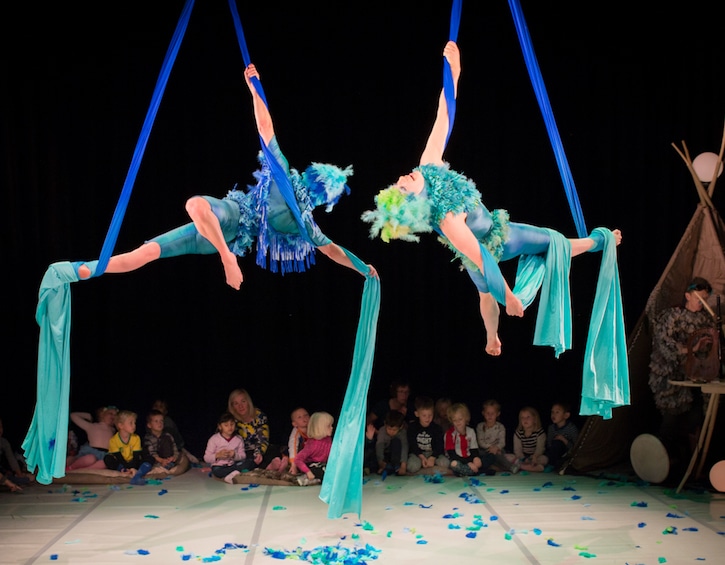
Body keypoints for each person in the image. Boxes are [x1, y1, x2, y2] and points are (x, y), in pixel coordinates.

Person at [361, 41, 622, 356]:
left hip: (491, 233)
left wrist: (454, 73)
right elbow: (484, 258)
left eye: (398, 181)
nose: (402, 179)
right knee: (552, 244)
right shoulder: (447, 220)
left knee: (483, 295)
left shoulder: (427, 166)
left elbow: (443, 114)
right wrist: (510, 296)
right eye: (403, 188)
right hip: (494, 244)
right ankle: (601, 242)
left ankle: (491, 338)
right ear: (414, 206)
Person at [70, 63, 377, 289]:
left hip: (230, 217)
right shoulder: (305, 224)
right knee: (147, 252)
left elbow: (265, 128)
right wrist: (363, 268)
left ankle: (226, 259)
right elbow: (333, 251)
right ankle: (90, 270)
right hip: (224, 236)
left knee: (194, 205)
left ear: (311, 175)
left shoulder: (286, 179)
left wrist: (254, 89)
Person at [648, 276, 716, 470]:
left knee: (695, 418)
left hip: (694, 378)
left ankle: (687, 463)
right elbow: (666, 346)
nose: (701, 302)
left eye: (704, 298)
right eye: (698, 298)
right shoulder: (672, 316)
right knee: (671, 419)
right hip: (669, 377)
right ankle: (660, 464)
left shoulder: (705, 319)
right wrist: (692, 349)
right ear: (688, 295)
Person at [227, 388, 283, 470]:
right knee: (245, 460)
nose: (240, 406)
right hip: (242, 452)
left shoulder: (259, 416)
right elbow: (221, 438)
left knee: (273, 449)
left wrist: (259, 452)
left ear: (248, 402)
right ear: (232, 407)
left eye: (243, 401)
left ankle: (275, 463)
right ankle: (268, 467)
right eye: (236, 403)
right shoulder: (230, 420)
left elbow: (263, 438)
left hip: (259, 449)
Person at [103, 410, 154, 485]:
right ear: (121, 426)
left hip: (133, 461)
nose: (134, 425)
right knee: (107, 458)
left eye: (134, 423)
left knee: (150, 458)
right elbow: (119, 457)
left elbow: (136, 457)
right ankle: (124, 471)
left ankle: (138, 475)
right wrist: (126, 468)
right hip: (121, 462)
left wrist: (133, 467)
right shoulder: (113, 440)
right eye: (131, 423)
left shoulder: (136, 438)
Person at [204, 412, 252, 484]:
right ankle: (235, 473)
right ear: (220, 427)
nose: (230, 427)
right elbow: (206, 458)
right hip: (220, 466)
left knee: (250, 462)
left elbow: (243, 456)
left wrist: (234, 455)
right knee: (217, 471)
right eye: (226, 425)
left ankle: (233, 473)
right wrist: (217, 455)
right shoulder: (213, 439)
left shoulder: (238, 439)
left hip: (234, 465)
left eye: (232, 424)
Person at [406, 396, 449, 474]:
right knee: (412, 466)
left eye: (430, 415)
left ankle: (429, 465)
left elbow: (439, 445)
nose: (427, 418)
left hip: (432, 453)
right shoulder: (412, 427)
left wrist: (432, 457)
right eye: (424, 415)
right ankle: (425, 464)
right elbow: (412, 444)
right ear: (417, 414)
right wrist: (422, 457)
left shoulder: (436, 428)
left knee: (445, 463)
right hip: (418, 454)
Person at [66, 406, 118, 471]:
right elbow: (72, 415)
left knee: (104, 463)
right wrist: (88, 416)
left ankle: (83, 471)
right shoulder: (91, 426)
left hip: (104, 454)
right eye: (110, 413)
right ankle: (70, 468)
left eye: (116, 415)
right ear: (102, 414)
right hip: (90, 452)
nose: (113, 416)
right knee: (90, 459)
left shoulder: (113, 430)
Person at [475, 399, 519, 474]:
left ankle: (510, 467)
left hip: (497, 450)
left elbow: (502, 442)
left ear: (498, 414)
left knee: (498, 454)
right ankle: (492, 467)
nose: (490, 415)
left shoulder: (500, 427)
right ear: (483, 413)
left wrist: (496, 448)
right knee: (478, 454)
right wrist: (491, 448)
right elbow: (481, 442)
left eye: (492, 413)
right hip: (485, 450)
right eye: (487, 413)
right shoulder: (480, 426)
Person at [151, 399, 198, 464]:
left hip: (176, 446)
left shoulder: (168, 423)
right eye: (156, 406)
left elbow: (171, 444)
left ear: (165, 411)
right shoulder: (150, 422)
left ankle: (185, 454)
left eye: (161, 407)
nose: (157, 409)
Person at [294, 411, 334, 486]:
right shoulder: (313, 445)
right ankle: (305, 478)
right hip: (310, 466)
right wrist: (308, 472)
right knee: (322, 469)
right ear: (320, 428)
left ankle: (317, 479)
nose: (332, 428)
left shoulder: (328, 439)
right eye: (329, 426)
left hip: (322, 464)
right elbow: (298, 459)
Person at [444, 402, 482, 476]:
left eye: (460, 419)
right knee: (454, 464)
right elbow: (452, 455)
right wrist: (468, 463)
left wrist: (475, 458)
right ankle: (474, 471)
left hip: (469, 458)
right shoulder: (449, 434)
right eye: (455, 420)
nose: (458, 422)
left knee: (484, 459)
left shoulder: (471, 431)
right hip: (457, 459)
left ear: (466, 418)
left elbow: (474, 450)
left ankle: (467, 471)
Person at [545, 401, 579, 471]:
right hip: (554, 453)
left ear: (566, 415)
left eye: (557, 412)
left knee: (558, 444)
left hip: (566, 454)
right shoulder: (551, 428)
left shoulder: (571, 428)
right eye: (552, 412)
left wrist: (564, 440)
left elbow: (576, 447)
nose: (554, 415)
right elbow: (549, 444)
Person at [513, 406, 548, 473]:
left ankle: (524, 467)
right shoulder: (518, 433)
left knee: (544, 459)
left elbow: (540, 448)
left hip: (535, 457)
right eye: (522, 417)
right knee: (509, 457)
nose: (525, 420)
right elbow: (517, 449)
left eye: (528, 417)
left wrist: (534, 456)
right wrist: (523, 458)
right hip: (522, 458)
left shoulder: (539, 432)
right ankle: (526, 466)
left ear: (535, 419)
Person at [0, 417, 34, 485]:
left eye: (0, 427)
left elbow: (11, 460)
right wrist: (8, 482)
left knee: (23, 479)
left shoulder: (3, 442)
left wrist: (20, 474)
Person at [375, 410, 409, 476]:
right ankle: (385, 467)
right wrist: (380, 462)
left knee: (396, 441)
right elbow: (379, 446)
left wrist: (403, 465)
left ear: (401, 427)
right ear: (385, 424)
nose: (391, 432)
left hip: (396, 456)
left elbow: (405, 447)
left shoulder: (402, 433)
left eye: (394, 430)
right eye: (389, 429)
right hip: (385, 454)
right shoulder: (382, 431)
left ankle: (396, 466)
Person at [287, 407, 310, 476]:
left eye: (306, 415)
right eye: (299, 417)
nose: (304, 418)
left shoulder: (314, 428)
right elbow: (293, 447)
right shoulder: (296, 432)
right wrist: (293, 465)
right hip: (300, 455)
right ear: (295, 424)